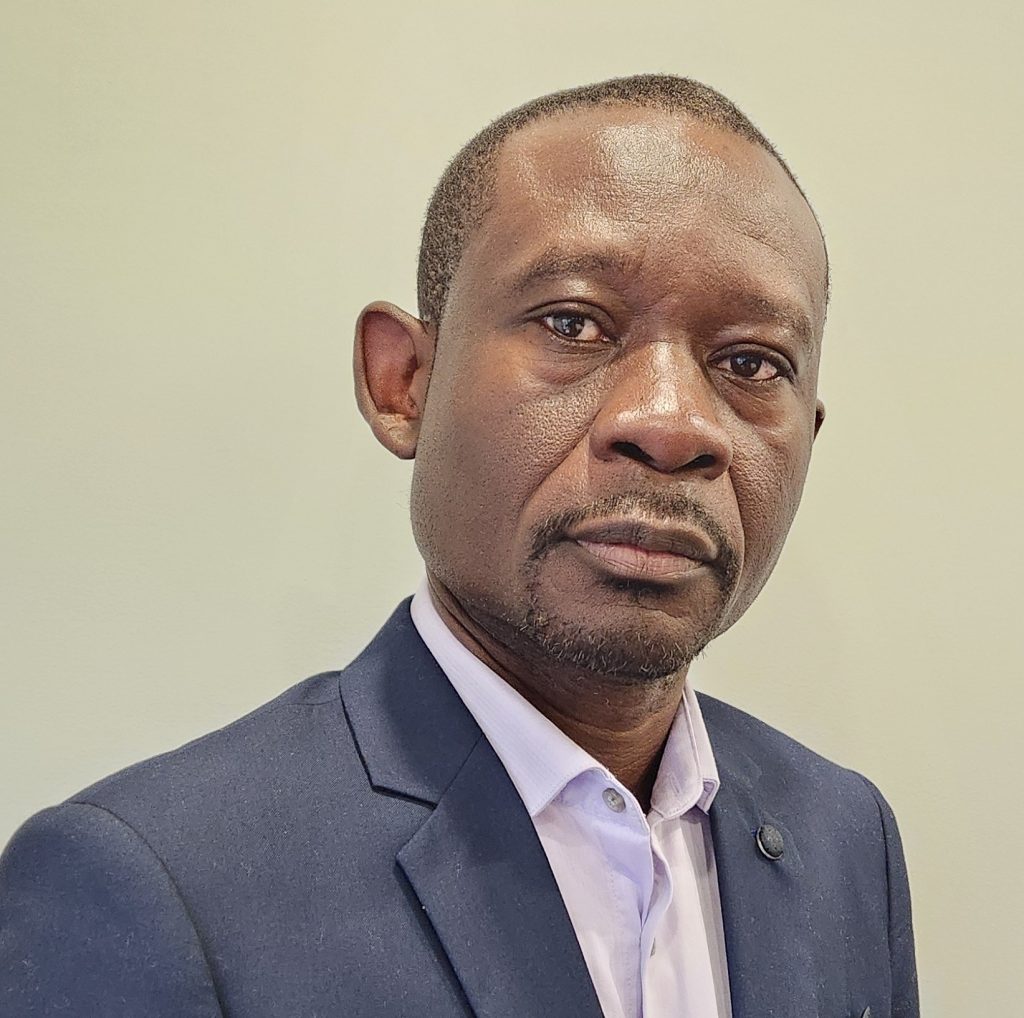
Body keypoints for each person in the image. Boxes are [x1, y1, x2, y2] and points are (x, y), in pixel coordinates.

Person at [0, 74, 918, 1018]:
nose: (671, 423)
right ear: (403, 381)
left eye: (750, 362)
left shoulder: (847, 840)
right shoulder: (155, 888)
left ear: (807, 434)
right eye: (573, 323)